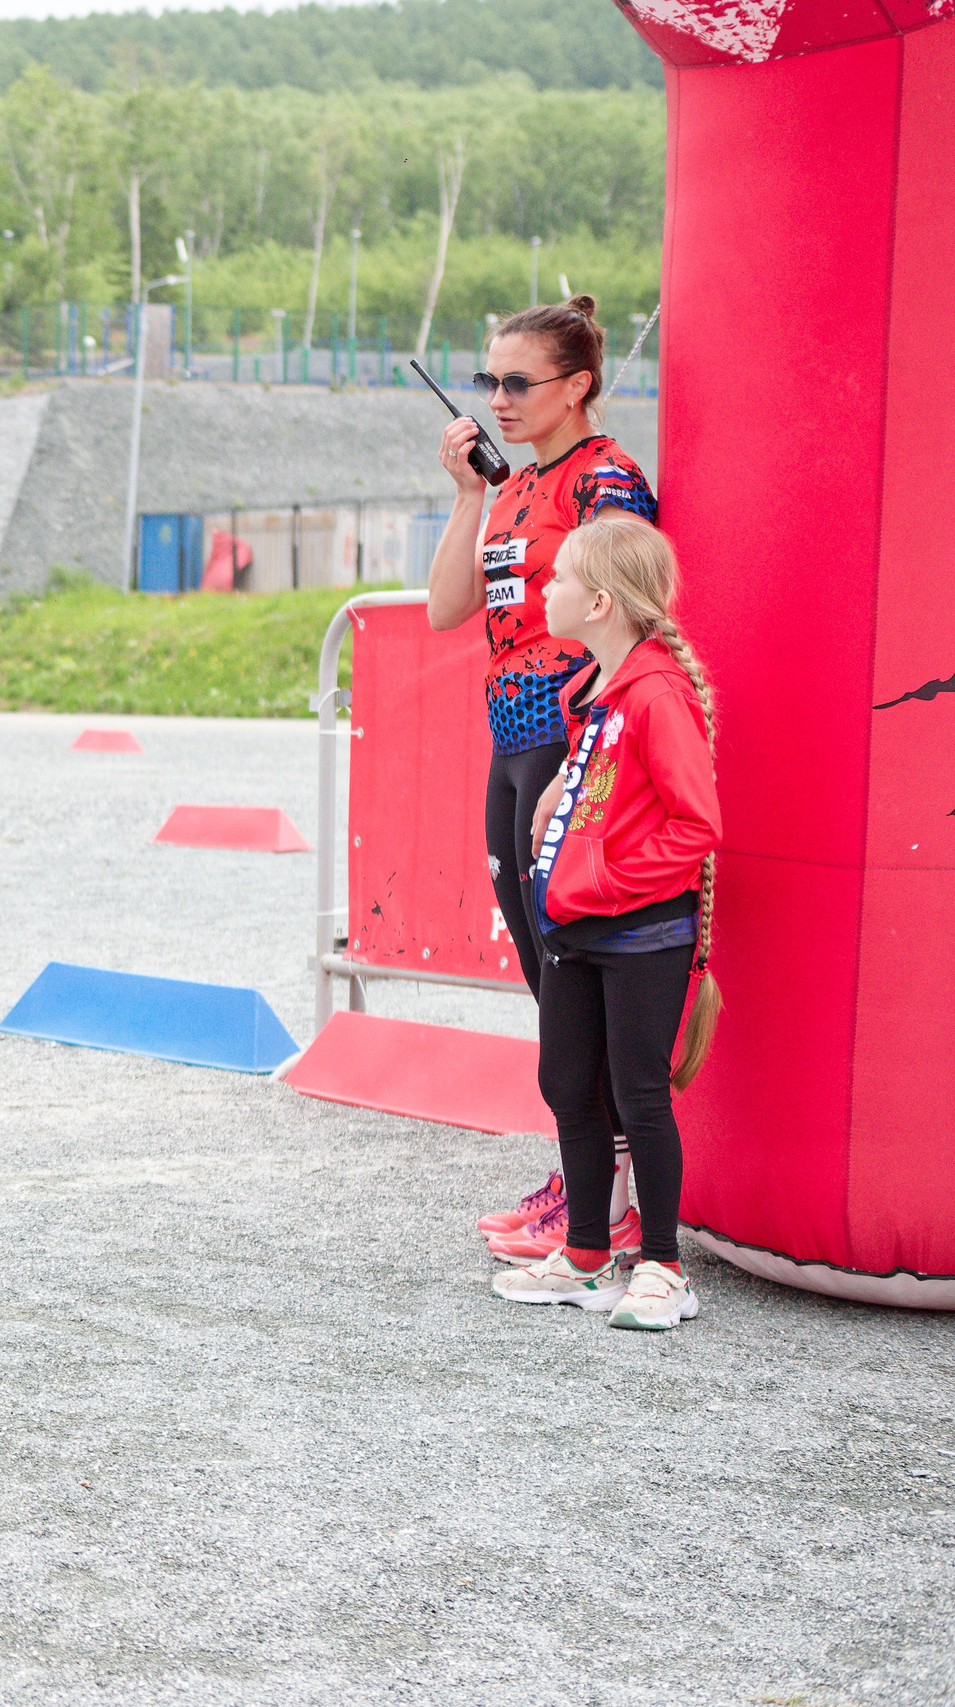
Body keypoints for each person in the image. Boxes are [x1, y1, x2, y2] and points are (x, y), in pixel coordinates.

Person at [424, 296, 657, 1260]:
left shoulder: (610, 480)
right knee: (545, 972)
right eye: (489, 381)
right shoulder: (516, 486)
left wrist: (589, 757)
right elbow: (445, 610)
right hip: (511, 746)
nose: (498, 398)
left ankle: (613, 1198)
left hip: (574, 748)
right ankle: (584, 1172)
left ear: (579, 386)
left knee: (580, 974)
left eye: (518, 382)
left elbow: (629, 623)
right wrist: (469, 495)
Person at [493, 512, 721, 1331]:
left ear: (597, 602)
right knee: (566, 1085)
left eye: (557, 579)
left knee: (639, 1095)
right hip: (576, 932)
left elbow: (697, 825)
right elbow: (610, 801)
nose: (543, 590)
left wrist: (607, 879)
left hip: (638, 935)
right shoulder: (593, 690)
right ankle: (588, 1255)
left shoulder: (655, 690)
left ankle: (662, 1263)